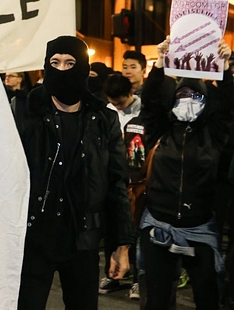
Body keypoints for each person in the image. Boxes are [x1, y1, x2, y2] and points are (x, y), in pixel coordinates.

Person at [12, 35, 134, 310]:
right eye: (55, 62)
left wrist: (121, 244)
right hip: (34, 239)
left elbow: (116, 183)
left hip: (83, 241)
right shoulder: (24, 110)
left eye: (70, 63)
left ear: (84, 68)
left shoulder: (104, 118)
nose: (62, 69)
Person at [139, 36, 233, 310]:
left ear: (205, 102)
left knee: (207, 297)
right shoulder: (160, 131)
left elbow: (228, 106)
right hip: (159, 223)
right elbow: (150, 101)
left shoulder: (213, 135)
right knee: (157, 300)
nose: (188, 102)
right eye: (182, 96)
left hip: (200, 226)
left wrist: (225, 69)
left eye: (196, 97)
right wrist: (158, 64)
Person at [99, 73, 145, 300]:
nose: (116, 106)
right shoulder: (105, 113)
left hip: (138, 180)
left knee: (135, 231)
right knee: (112, 228)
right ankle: (113, 274)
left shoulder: (143, 113)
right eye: (112, 101)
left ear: (131, 93)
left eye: (120, 102)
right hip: (114, 178)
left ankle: (138, 278)